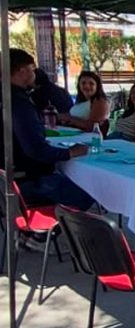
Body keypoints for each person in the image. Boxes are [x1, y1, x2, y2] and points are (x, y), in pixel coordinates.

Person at [5, 49, 93, 210]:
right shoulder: (18, 103)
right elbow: (36, 149)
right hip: (27, 181)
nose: (35, 73)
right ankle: (46, 232)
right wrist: (70, 153)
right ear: (22, 71)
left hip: (11, 179)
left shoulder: (7, 97)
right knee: (90, 193)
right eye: (33, 69)